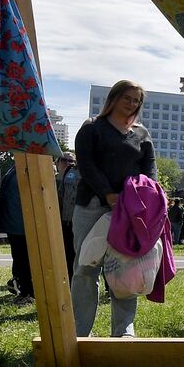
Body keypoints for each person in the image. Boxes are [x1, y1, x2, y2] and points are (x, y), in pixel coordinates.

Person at [71, 80, 156, 338]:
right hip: (92, 206)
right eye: (127, 98)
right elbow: (86, 165)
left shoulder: (141, 134)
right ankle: (79, 330)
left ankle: (123, 331)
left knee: (128, 271)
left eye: (136, 100)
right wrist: (107, 193)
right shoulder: (92, 128)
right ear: (114, 98)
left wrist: (144, 199)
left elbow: (150, 170)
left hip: (129, 213)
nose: (131, 104)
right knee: (86, 267)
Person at [0, 163, 34, 304]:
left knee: (24, 260)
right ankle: (23, 291)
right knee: (19, 259)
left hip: (24, 224)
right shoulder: (15, 166)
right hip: (14, 223)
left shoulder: (30, 165)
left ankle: (28, 294)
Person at [56, 152, 80, 272]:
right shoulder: (50, 179)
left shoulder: (78, 175)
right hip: (61, 222)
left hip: (75, 221)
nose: (67, 163)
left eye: (71, 161)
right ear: (57, 162)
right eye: (64, 160)